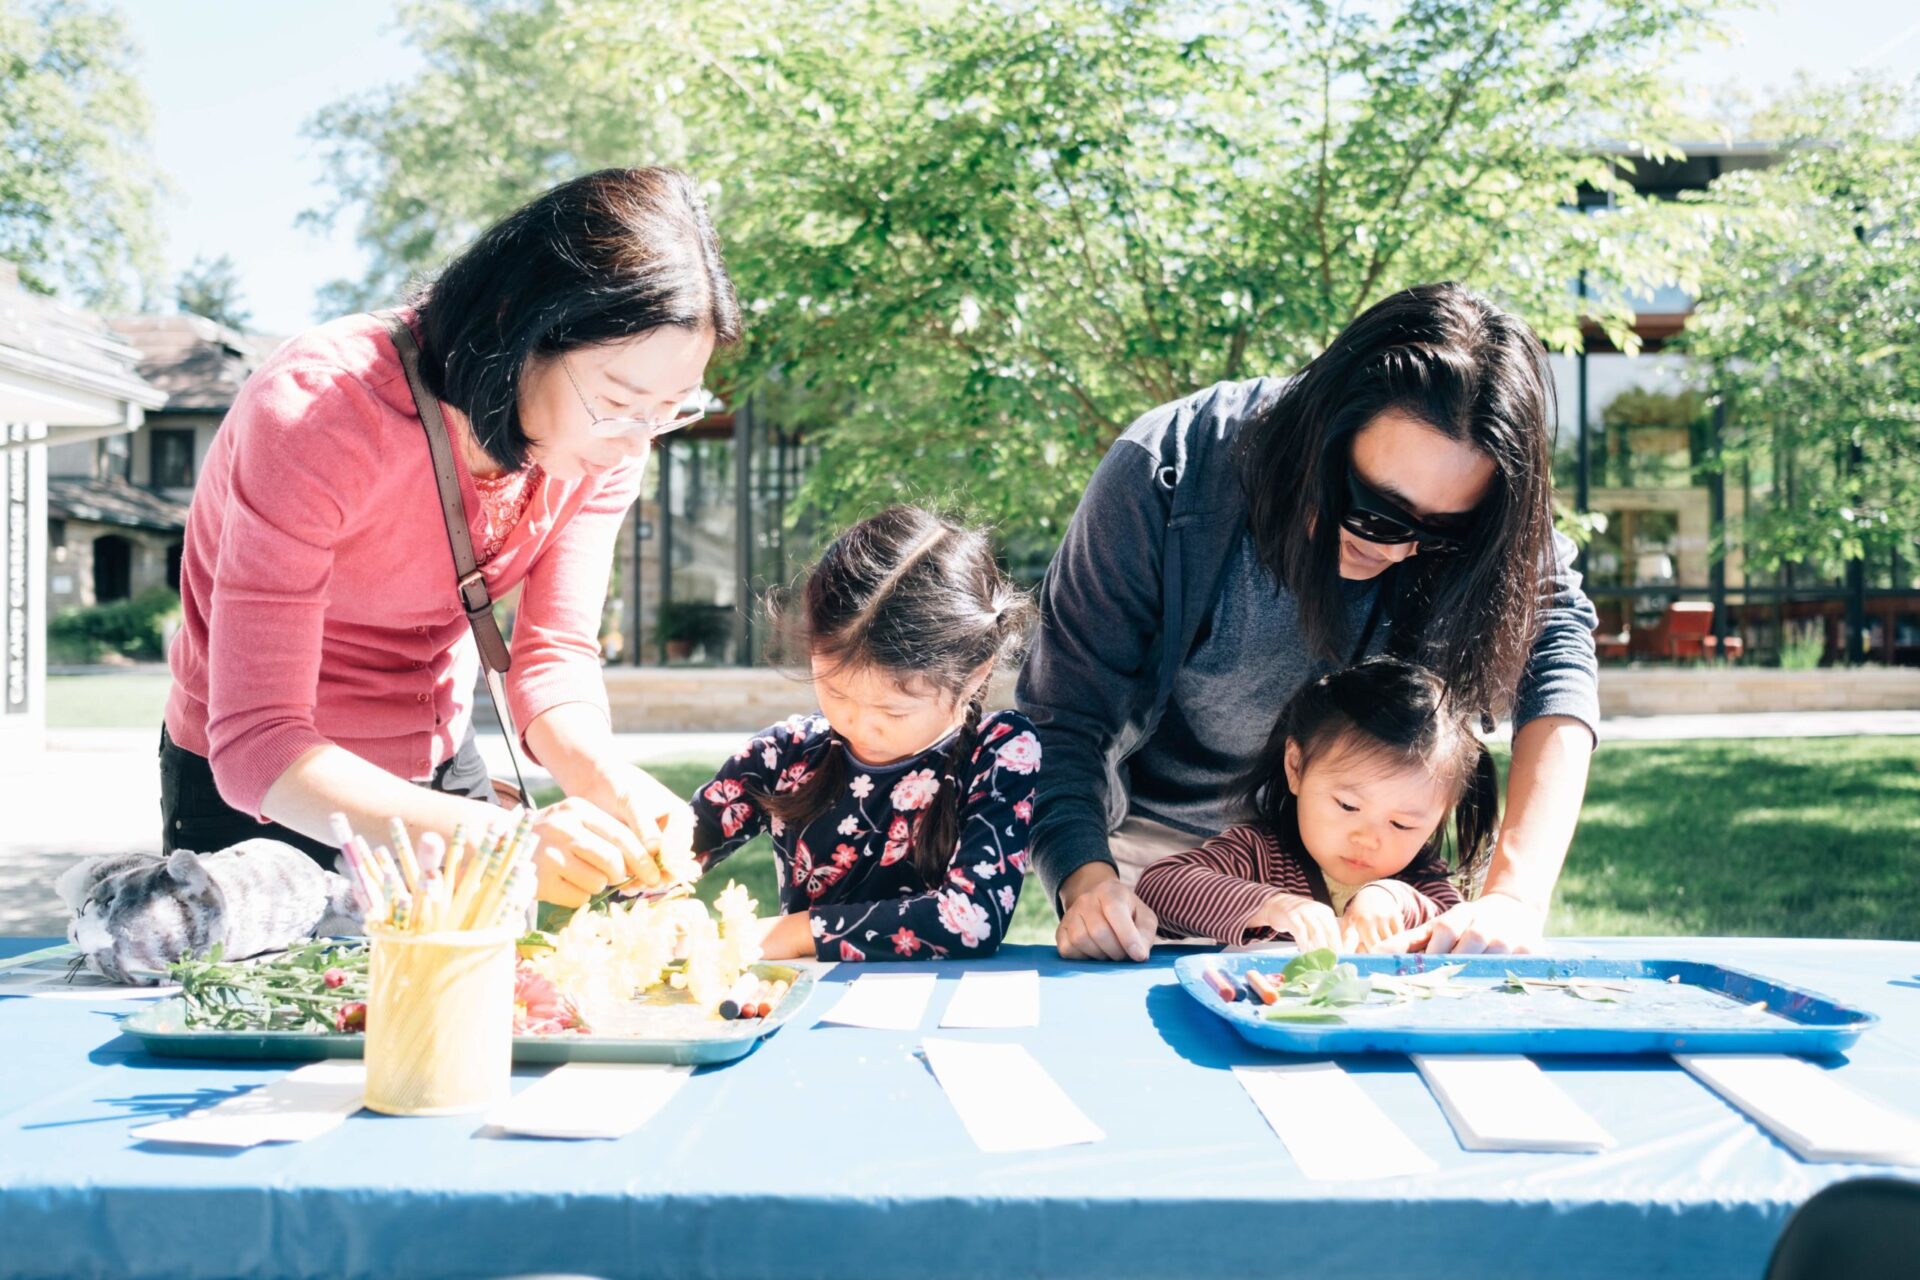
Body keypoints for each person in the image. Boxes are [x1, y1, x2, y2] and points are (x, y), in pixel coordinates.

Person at [161, 167, 739, 908]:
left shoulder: (603, 446)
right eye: (622, 402)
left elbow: (553, 653)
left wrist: (607, 780)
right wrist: (505, 841)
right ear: (516, 326)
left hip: (438, 765)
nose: (635, 448)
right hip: (267, 792)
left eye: (667, 411)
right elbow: (256, 743)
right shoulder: (316, 413)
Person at [1018, 282, 1597, 960]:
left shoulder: (1488, 516)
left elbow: (1558, 657)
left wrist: (1512, 898)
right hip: (1167, 853)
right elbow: (1065, 718)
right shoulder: (1170, 472)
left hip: (1370, 856)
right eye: (1374, 511)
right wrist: (1087, 884)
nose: (1395, 548)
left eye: (1442, 535)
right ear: (1317, 436)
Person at [690, 506, 1041, 961]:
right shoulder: (784, 754)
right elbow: (679, 850)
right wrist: (646, 867)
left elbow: (972, 919)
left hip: (940, 1013)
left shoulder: (1000, 751)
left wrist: (795, 933)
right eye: (835, 692)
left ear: (976, 673)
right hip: (803, 1013)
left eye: (893, 711)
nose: (858, 724)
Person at [1136, 658, 1496, 952]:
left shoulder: (1419, 878)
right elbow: (1159, 887)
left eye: (1401, 824)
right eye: (1348, 805)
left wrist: (1395, 898)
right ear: (1296, 766)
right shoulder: (1260, 853)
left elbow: (1459, 929)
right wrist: (1274, 906)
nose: (1367, 838)